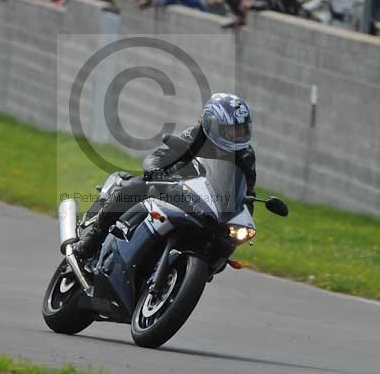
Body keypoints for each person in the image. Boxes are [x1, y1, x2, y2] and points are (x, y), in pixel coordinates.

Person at [71, 93, 257, 260]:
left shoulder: (246, 156)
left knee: (226, 240)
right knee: (130, 189)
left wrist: (241, 214)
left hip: (208, 207)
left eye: (241, 130)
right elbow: (160, 155)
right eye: (232, 130)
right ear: (213, 125)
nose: (237, 136)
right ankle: (92, 239)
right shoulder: (197, 135)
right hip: (172, 188)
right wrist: (155, 170)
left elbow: (247, 193)